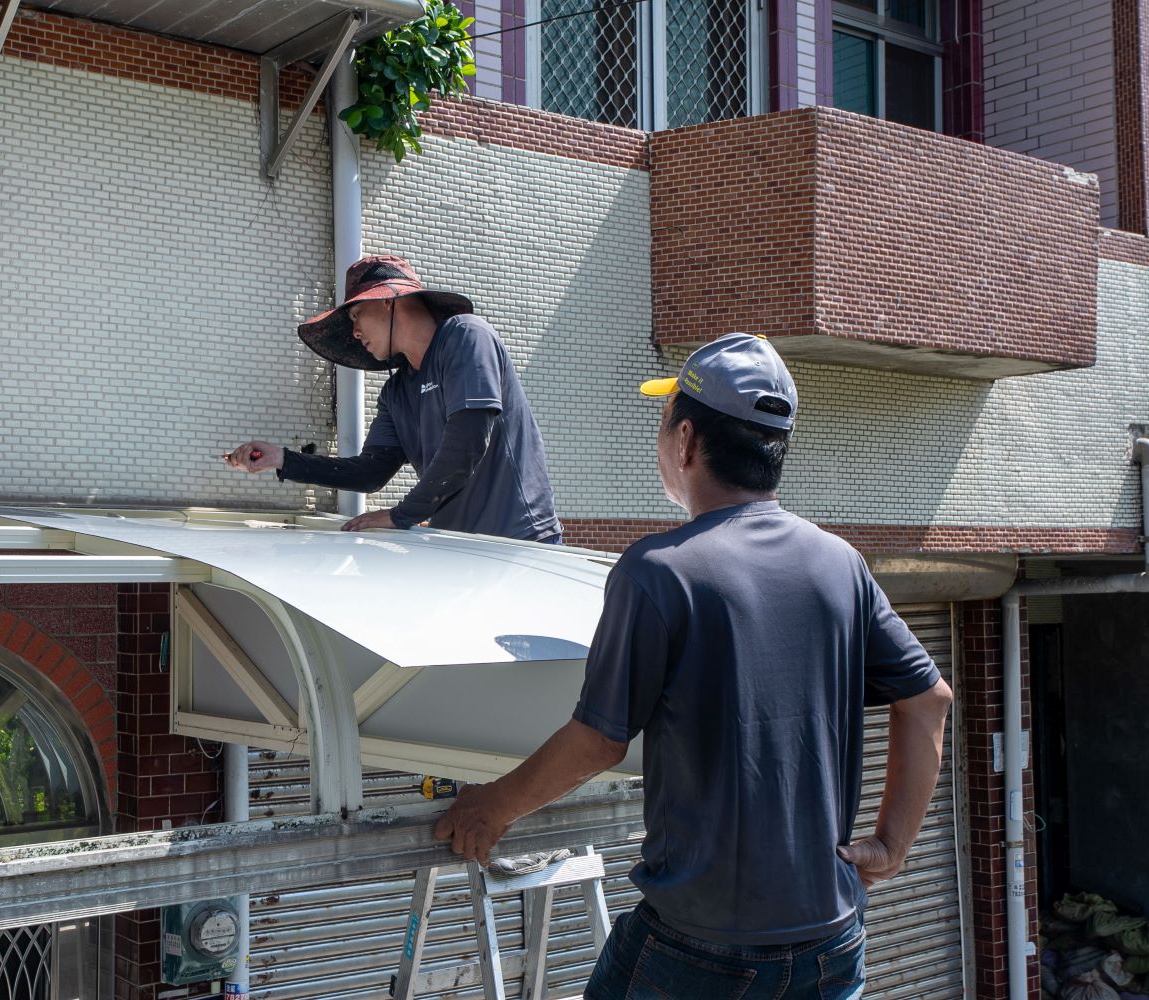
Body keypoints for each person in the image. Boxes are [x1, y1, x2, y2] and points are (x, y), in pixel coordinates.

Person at [433, 333, 954, 998]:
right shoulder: (839, 565)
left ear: (685, 441)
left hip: (702, 952)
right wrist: (892, 847)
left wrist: (493, 807)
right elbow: (930, 698)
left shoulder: (659, 571)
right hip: (834, 936)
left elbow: (599, 740)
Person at [226, 255, 562, 542]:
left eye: (356, 316)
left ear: (389, 300)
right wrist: (283, 459)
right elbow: (369, 473)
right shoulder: (396, 392)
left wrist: (404, 514)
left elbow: (469, 438)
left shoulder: (465, 336)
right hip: (459, 547)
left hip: (521, 541)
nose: (355, 333)